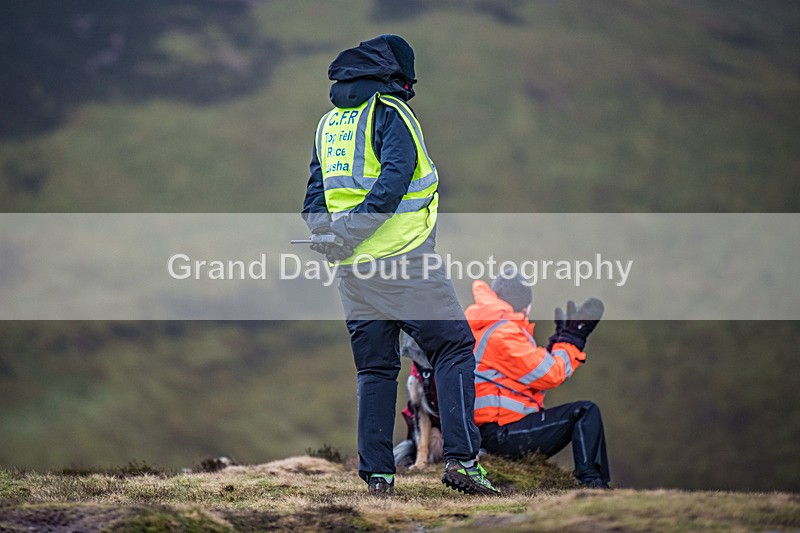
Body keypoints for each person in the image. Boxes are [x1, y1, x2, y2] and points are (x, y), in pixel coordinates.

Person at [301, 35, 499, 495]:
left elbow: (314, 193)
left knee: (375, 370)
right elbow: (392, 184)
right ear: (396, 76)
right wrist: (347, 234)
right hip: (404, 261)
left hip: (353, 272)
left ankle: (377, 478)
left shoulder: (328, 124)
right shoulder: (391, 113)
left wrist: (326, 236)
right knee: (453, 349)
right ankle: (464, 464)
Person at [464, 270, 611, 488]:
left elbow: (528, 370)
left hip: (491, 431)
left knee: (582, 412)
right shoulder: (504, 333)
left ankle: (592, 482)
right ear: (525, 305)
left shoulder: (489, 326)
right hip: (501, 434)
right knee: (586, 412)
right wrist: (573, 339)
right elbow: (550, 374)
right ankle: (592, 483)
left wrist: (557, 342)